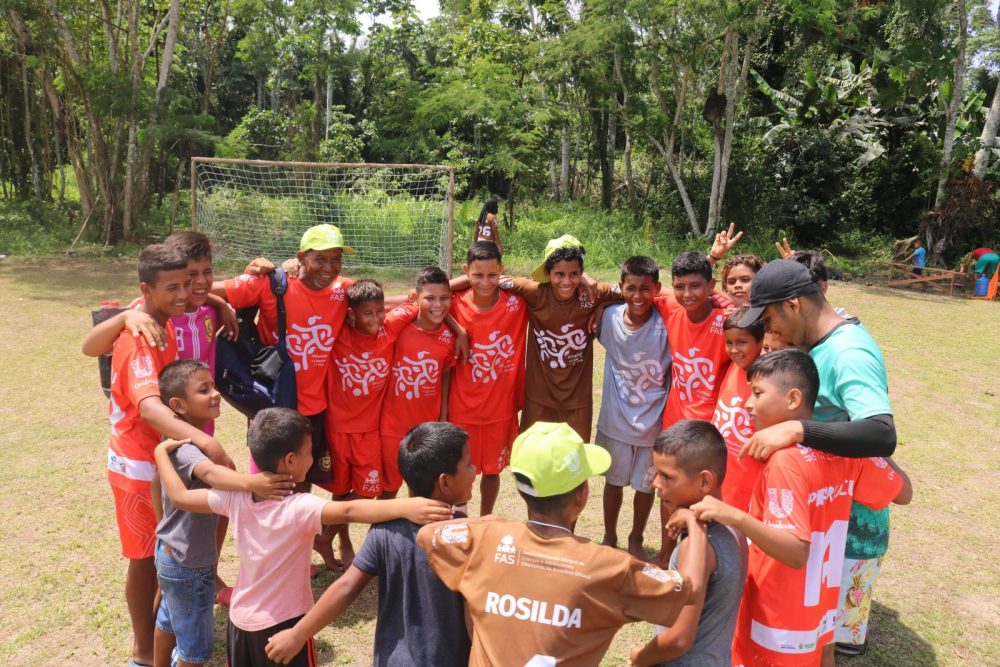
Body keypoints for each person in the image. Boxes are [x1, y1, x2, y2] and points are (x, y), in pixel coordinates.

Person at [154, 407, 453, 667]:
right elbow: (349, 510)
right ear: (290, 461)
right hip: (285, 625)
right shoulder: (300, 507)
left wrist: (160, 455)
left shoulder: (236, 498)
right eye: (309, 452)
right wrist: (406, 506)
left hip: (240, 623)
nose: (313, 459)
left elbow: (180, 497)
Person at [690, 350, 911, 667]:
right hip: (820, 611)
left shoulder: (785, 462)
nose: (748, 403)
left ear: (793, 398)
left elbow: (795, 551)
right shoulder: (846, 452)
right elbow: (904, 491)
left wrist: (732, 515)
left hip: (776, 615)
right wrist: (856, 438)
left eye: (758, 393)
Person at [417, 421, 699, 667]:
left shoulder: (483, 539)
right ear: (582, 495)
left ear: (521, 490)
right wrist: (695, 525)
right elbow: (690, 590)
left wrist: (489, 522)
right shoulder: (611, 567)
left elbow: (427, 535)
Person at [736, 259, 899, 656]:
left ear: (793, 304)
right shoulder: (819, 341)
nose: (769, 330)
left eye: (770, 318)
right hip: (815, 514)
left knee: (818, 636)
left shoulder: (848, 352)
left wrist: (798, 430)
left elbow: (881, 433)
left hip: (839, 516)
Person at [105, 243, 233, 667]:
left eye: (188, 283)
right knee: (146, 559)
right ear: (147, 290)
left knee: (168, 553)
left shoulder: (164, 319)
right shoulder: (140, 335)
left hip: (164, 457)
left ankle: (166, 633)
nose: (184, 293)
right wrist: (205, 442)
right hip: (139, 462)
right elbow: (148, 407)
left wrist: (217, 301)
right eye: (173, 287)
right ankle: (143, 652)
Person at [263, 422, 476, 666]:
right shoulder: (469, 535)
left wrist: (298, 634)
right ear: (445, 482)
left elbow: (346, 588)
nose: (475, 470)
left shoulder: (385, 530)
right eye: (469, 464)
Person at [151, 359, 294, 667]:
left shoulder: (175, 440)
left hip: (170, 551)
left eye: (213, 386)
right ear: (178, 405)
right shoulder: (187, 448)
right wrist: (251, 482)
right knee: (194, 650)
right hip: (189, 561)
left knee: (169, 619)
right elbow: (211, 474)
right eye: (204, 390)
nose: (215, 394)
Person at [211, 223, 356, 485]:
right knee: (269, 483)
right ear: (301, 258)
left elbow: (380, 304)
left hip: (315, 406)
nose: (329, 267)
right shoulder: (273, 283)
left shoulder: (344, 290)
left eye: (336, 259)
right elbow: (203, 289)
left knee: (303, 479)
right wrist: (220, 303)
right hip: (272, 401)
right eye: (320, 259)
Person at [313, 280, 419, 570]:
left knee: (368, 487)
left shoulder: (390, 329)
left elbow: (419, 302)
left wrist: (458, 330)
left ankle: (324, 533)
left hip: (369, 429)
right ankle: (341, 541)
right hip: (336, 428)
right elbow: (324, 305)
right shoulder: (337, 333)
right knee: (341, 488)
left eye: (379, 311)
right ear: (351, 314)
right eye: (367, 313)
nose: (375, 319)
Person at [629, 420, 748, 667]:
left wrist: (639, 657)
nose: (656, 483)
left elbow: (678, 639)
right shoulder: (734, 528)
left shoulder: (696, 545)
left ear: (704, 481)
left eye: (667, 476)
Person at [497, 235, 622, 441]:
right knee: (534, 455)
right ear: (548, 273)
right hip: (538, 397)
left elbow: (635, 291)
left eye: (574, 274)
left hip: (577, 401)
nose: (566, 281)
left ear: (582, 272)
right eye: (559, 274)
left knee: (575, 456)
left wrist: (602, 305)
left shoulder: (592, 294)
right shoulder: (535, 292)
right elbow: (493, 278)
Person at [594, 256, 670, 558]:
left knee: (645, 487)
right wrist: (602, 304)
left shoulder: (666, 322)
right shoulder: (608, 318)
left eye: (645, 289)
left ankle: (636, 537)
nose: (638, 296)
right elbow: (586, 293)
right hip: (615, 422)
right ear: (620, 287)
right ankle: (610, 535)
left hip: (653, 426)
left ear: (657, 289)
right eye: (631, 288)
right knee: (613, 483)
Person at [448, 241, 528, 515]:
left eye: (492, 275)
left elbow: (544, 287)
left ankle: (485, 518)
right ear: (466, 270)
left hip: (500, 408)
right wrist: (458, 329)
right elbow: (425, 296)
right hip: (462, 408)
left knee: (493, 471)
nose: (485, 282)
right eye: (477, 275)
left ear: (502, 271)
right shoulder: (453, 305)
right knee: (460, 468)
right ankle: (460, 517)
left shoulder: (517, 304)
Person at [379, 267, 458, 498]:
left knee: (424, 491)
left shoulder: (449, 337)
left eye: (444, 298)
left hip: (427, 428)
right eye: (430, 298)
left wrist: (443, 417)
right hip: (392, 427)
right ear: (415, 298)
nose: (438, 305)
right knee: (388, 491)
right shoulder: (398, 328)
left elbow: (445, 375)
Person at [711, 306, 765, 511]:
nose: (734, 350)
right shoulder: (734, 366)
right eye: (729, 343)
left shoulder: (766, 381)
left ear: (761, 341)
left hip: (748, 486)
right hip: (721, 476)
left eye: (742, 342)